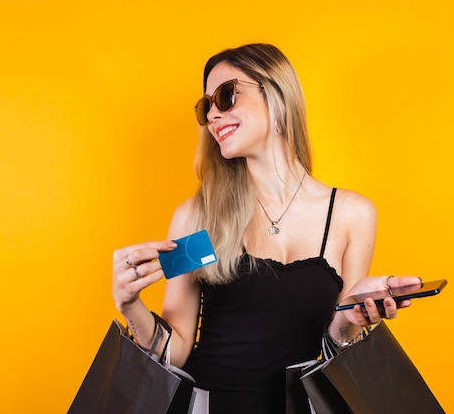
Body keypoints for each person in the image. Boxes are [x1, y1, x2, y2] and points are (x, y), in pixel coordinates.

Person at [112, 43, 422, 414]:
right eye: (205, 106)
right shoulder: (198, 217)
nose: (212, 114)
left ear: (276, 95)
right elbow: (175, 350)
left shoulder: (352, 216)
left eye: (226, 96)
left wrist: (352, 319)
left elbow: (339, 351)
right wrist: (130, 304)